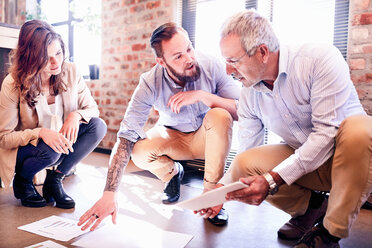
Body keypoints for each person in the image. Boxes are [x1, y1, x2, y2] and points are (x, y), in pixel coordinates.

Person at [197, 9, 372, 248]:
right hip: (311, 164)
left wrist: (271, 180)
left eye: (233, 61)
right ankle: (311, 210)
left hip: (354, 162)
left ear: (262, 52)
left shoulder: (319, 59)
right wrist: (219, 193)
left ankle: (328, 235)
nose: (228, 71)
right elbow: (247, 147)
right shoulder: (249, 92)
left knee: (360, 130)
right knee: (245, 163)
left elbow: (326, 135)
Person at [78, 22, 241, 230]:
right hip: (172, 137)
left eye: (189, 49)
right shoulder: (149, 82)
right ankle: (173, 173)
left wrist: (203, 96)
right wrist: (109, 193)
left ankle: (211, 197)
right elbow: (126, 135)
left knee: (220, 115)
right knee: (137, 150)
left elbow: (241, 110)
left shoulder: (212, 65)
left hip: (207, 137)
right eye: (178, 56)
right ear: (162, 62)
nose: (189, 58)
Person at [0, 20, 107, 209]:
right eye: (46, 58)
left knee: (97, 126)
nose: (55, 63)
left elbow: (92, 110)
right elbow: (4, 139)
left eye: (58, 53)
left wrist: (76, 116)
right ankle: (23, 181)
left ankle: (55, 179)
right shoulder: (12, 83)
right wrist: (39, 133)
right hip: (25, 151)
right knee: (52, 149)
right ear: (31, 58)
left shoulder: (71, 71)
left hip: (55, 146)